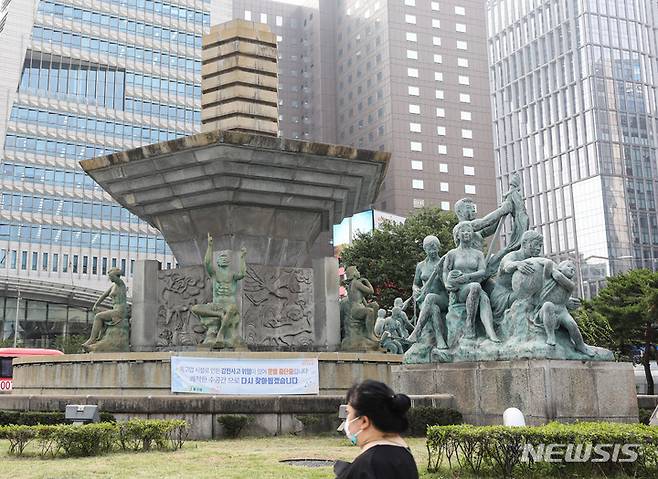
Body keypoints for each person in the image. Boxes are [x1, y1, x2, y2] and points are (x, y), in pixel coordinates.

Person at [334, 380, 418, 479]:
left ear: (364, 421)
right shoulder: (404, 453)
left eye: (348, 413)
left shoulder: (369, 465)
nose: (347, 419)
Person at [82, 267, 128, 351]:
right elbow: (104, 295)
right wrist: (96, 305)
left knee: (99, 316)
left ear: (115, 276)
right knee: (98, 312)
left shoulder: (121, 284)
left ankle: (92, 339)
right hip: (115, 309)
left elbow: (117, 275)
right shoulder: (113, 286)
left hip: (120, 311)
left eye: (111, 276)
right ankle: (99, 338)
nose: (109, 278)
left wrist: (114, 272)